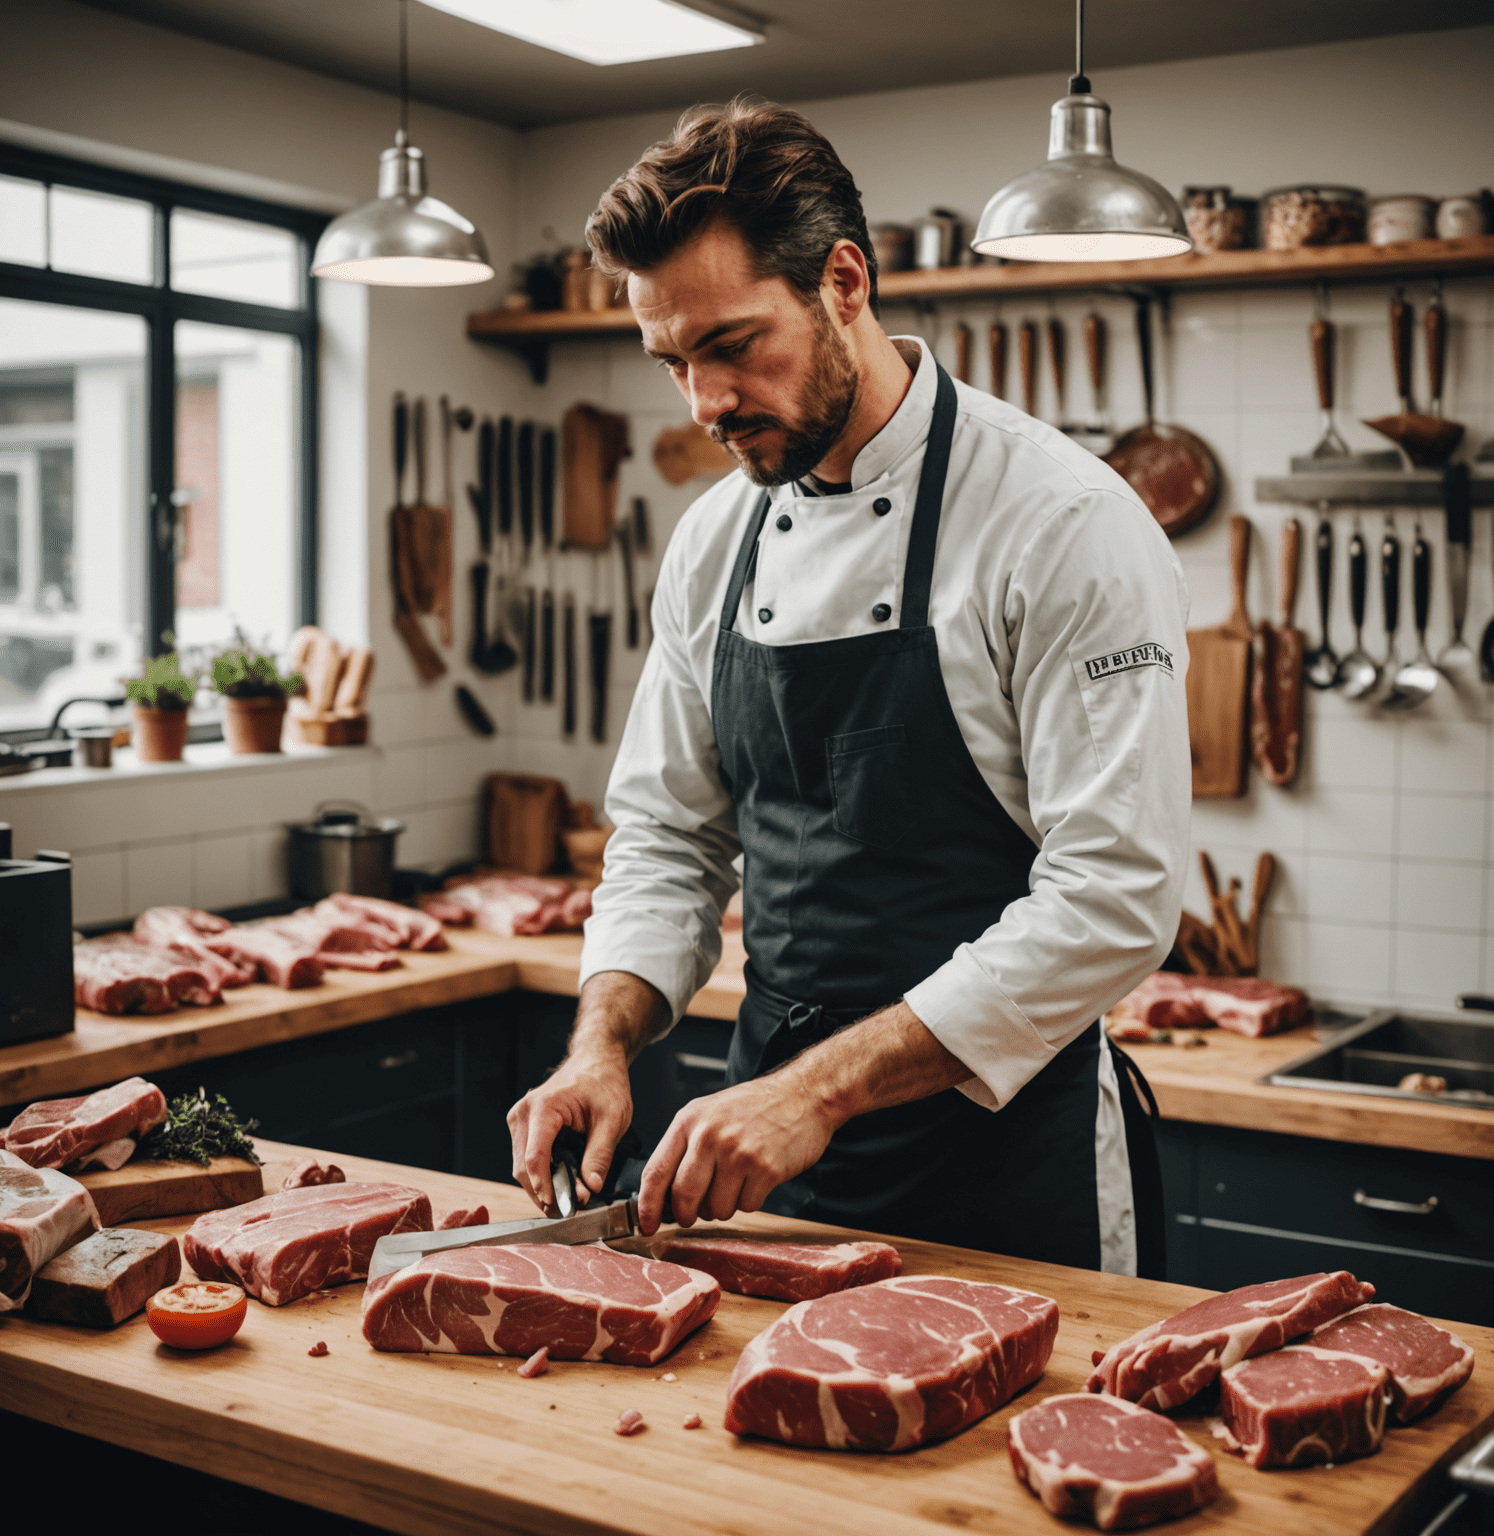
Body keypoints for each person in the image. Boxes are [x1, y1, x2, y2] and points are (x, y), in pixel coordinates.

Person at [507, 99, 1190, 1276]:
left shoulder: (1062, 521)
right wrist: (600, 1044)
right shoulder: (714, 541)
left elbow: (1116, 896)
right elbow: (668, 835)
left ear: (843, 281)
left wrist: (815, 1094)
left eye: (730, 345)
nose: (703, 405)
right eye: (672, 362)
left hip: (1002, 1159)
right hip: (759, 1155)